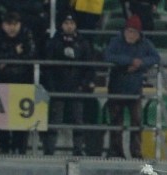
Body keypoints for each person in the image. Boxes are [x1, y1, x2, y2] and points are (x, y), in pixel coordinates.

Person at [105, 15, 160, 159]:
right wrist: (129, 61)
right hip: (117, 88)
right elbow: (108, 56)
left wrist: (141, 63)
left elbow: (155, 57)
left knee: (136, 122)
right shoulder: (116, 41)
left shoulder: (145, 44)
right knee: (116, 121)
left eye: (133, 32)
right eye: (128, 31)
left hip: (135, 90)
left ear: (139, 33)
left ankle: (136, 151)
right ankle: (116, 150)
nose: (130, 35)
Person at [42, 13, 93, 156]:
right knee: (54, 120)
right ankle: (49, 150)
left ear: (75, 25)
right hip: (58, 87)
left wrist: (83, 84)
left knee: (78, 120)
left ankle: (78, 150)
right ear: (61, 25)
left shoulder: (83, 43)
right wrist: (51, 86)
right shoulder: (54, 42)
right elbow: (48, 66)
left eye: (71, 23)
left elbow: (89, 66)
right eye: (66, 23)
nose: (69, 26)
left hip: (77, 87)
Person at [0, 12, 35, 154]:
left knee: (20, 118)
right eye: (9, 24)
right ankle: (4, 147)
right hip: (1, 81)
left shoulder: (27, 34)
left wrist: (6, 59)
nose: (12, 28)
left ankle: (19, 148)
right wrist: (14, 52)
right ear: (3, 25)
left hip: (23, 81)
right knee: (1, 117)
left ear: (20, 24)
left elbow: (31, 55)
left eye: (15, 24)